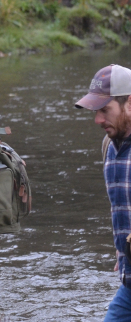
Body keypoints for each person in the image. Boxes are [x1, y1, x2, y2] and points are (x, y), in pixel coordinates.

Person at [76, 64, 131, 321]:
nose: (98, 120)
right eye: (96, 111)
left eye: (105, 110)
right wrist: (122, 253)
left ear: (129, 103)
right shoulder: (108, 144)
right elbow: (121, 205)